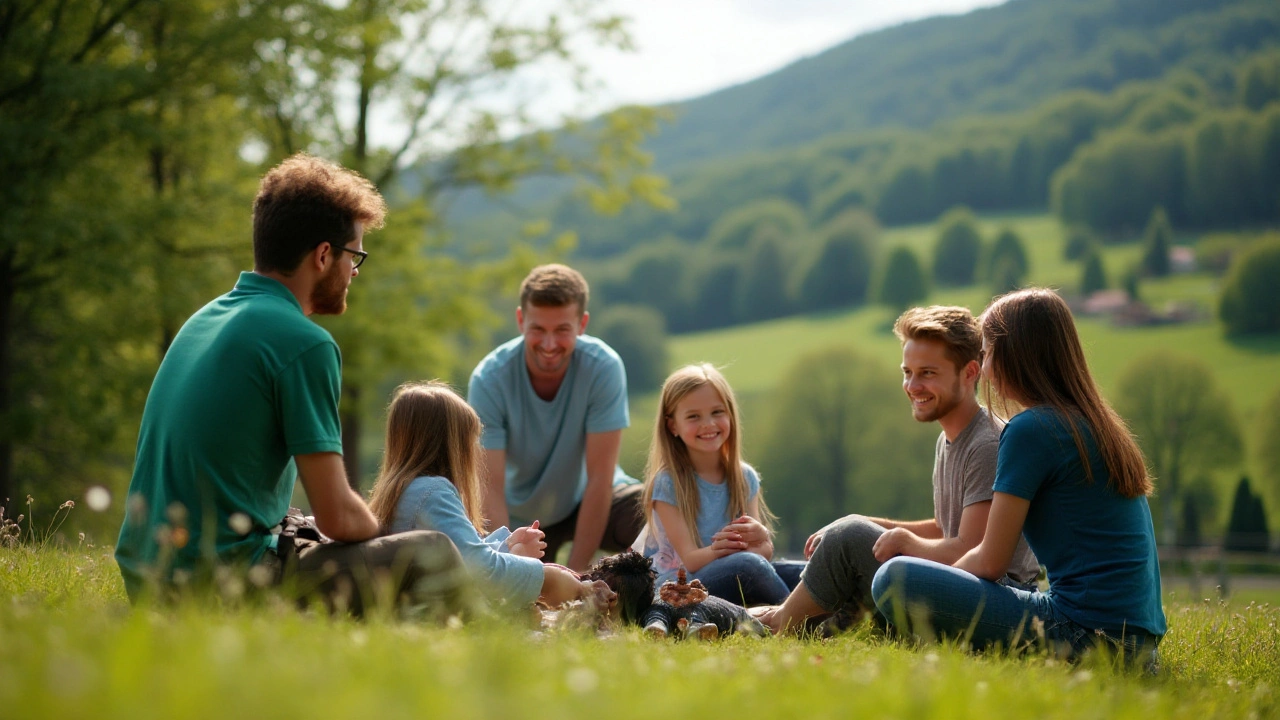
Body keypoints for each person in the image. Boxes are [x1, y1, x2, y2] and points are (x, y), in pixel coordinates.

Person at [115, 153, 465, 616]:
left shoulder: (204, 319)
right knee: (432, 552)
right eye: (354, 255)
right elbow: (339, 515)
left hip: (148, 575)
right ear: (324, 255)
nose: (354, 272)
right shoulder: (303, 342)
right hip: (220, 585)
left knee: (302, 525)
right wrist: (385, 535)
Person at [872, 288, 1166, 666]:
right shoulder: (1094, 423)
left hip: (1084, 636)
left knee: (895, 579)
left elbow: (991, 561)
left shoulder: (1032, 430)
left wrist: (937, 583)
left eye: (988, 352)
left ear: (1014, 355)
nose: (986, 368)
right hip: (1140, 646)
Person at [759, 306, 1038, 634]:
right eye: (908, 372)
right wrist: (873, 524)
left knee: (849, 538)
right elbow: (944, 528)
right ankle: (765, 619)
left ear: (969, 372)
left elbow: (971, 549)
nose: (912, 385)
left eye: (928, 373)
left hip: (994, 599)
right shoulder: (949, 439)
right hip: (962, 586)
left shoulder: (986, 443)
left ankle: (778, 623)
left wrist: (896, 540)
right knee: (842, 540)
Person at [366, 380, 612, 609]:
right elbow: (482, 570)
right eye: (471, 440)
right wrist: (545, 576)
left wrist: (508, 546)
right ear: (452, 445)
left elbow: (461, 555)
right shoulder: (433, 492)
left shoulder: (405, 490)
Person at [468, 264, 642, 571]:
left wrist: (578, 576)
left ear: (582, 324)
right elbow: (489, 487)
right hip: (520, 517)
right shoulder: (489, 378)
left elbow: (600, 479)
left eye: (562, 330)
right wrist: (513, 568)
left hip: (586, 501)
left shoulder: (603, 367)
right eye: (538, 330)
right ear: (521, 320)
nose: (549, 345)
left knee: (650, 511)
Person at [636, 363, 803, 606]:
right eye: (694, 416)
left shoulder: (744, 478)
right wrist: (720, 550)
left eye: (717, 412)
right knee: (748, 565)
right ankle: (797, 619)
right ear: (673, 426)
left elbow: (762, 554)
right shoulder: (668, 483)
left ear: (731, 415)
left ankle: (846, 614)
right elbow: (691, 560)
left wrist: (762, 539)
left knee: (805, 571)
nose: (708, 424)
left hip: (738, 570)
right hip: (681, 585)